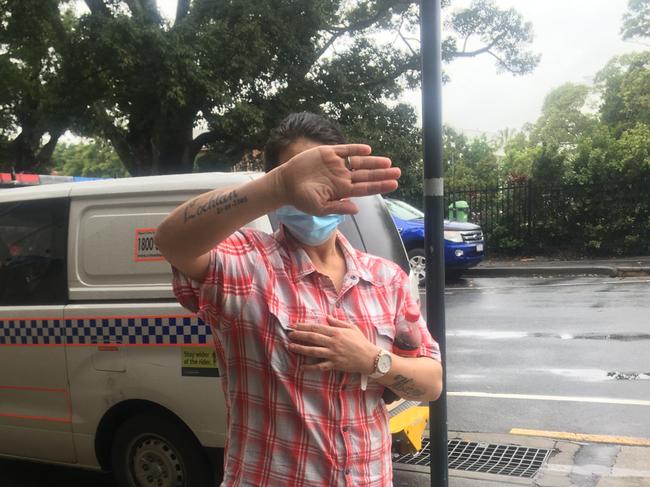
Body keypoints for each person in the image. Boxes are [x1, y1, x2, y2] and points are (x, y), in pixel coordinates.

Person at [155, 112, 442, 487]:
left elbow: (431, 384)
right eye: (297, 178)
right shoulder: (246, 264)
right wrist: (278, 186)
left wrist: (371, 360)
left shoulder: (386, 279)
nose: (314, 192)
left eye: (324, 178)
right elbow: (171, 241)